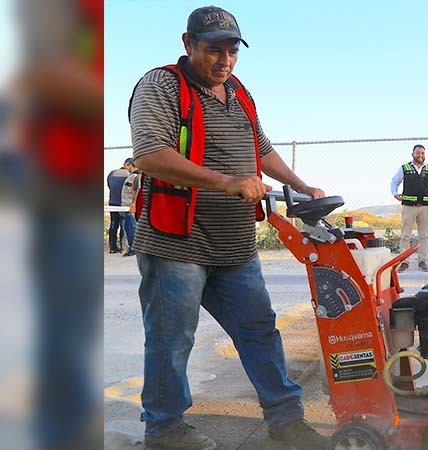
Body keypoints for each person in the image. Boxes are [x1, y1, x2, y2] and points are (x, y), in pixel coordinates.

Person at [128, 6, 327, 450]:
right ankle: (164, 429)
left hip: (234, 246)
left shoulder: (237, 91)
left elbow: (262, 148)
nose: (224, 61)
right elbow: (149, 154)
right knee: (171, 340)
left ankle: (286, 421)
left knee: (259, 330)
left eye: (232, 51)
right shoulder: (161, 86)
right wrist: (225, 181)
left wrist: (300, 184)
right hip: (176, 241)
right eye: (213, 50)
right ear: (187, 44)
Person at [390, 144, 428, 272]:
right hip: (408, 206)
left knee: (423, 235)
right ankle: (404, 262)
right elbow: (394, 181)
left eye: (422, 153)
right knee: (405, 236)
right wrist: (394, 193)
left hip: (424, 207)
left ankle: (422, 261)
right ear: (413, 154)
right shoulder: (405, 168)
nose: (420, 155)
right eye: (418, 153)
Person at [106, 159, 130, 253]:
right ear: (127, 164)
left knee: (113, 224)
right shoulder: (129, 175)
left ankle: (112, 247)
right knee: (123, 225)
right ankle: (123, 247)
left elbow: (109, 185)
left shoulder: (112, 173)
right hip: (123, 204)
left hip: (112, 202)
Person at [120, 158, 141, 256]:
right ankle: (132, 248)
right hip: (126, 207)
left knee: (130, 228)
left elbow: (137, 190)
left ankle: (133, 249)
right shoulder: (131, 176)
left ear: (130, 164)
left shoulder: (136, 176)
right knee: (128, 228)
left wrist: (134, 204)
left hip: (130, 207)